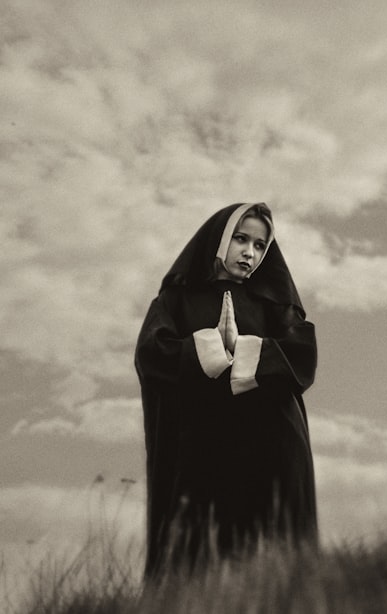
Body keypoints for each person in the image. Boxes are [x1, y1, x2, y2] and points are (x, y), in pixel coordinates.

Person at [134, 202, 318, 578]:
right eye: (240, 239)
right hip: (200, 450)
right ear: (218, 239)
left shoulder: (276, 305)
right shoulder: (175, 301)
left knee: (272, 560)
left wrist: (245, 348)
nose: (249, 252)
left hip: (270, 448)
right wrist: (208, 346)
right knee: (198, 560)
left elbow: (301, 358)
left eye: (260, 245)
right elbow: (152, 354)